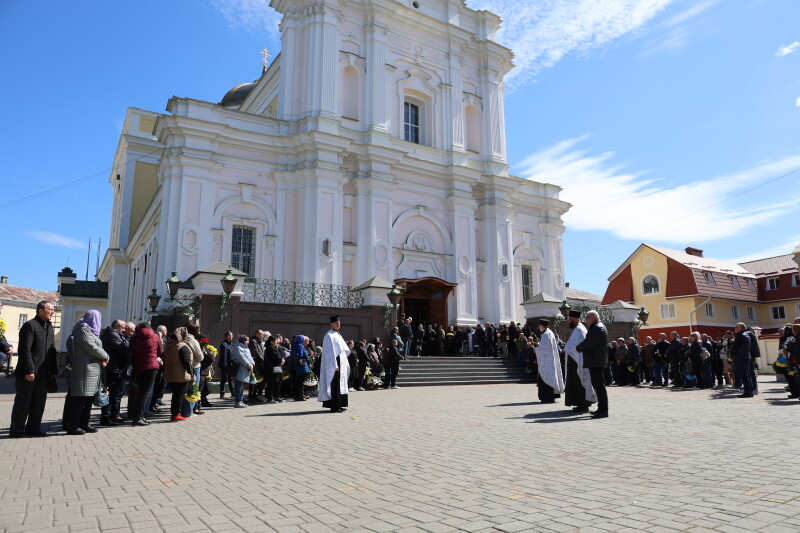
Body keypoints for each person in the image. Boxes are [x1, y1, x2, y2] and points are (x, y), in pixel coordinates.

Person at [9, 301, 59, 438]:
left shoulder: (49, 327)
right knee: (23, 404)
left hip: (44, 374)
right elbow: (25, 350)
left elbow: (52, 350)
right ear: (41, 310)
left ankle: (33, 429)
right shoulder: (30, 325)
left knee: (38, 404)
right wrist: (29, 370)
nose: (52, 312)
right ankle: (16, 430)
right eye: (50, 309)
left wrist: (54, 370)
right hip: (28, 374)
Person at [67, 310, 110, 435]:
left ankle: (85, 424)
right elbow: (91, 347)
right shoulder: (83, 330)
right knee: (80, 400)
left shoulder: (91, 331)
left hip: (92, 370)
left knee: (88, 400)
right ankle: (74, 426)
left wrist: (102, 357)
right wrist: (105, 356)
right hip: (84, 370)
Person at [127, 321, 162, 426]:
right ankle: (138, 418)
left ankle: (138, 416)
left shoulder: (134, 337)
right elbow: (160, 352)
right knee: (145, 393)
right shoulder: (155, 337)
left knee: (139, 392)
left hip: (138, 367)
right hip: (151, 367)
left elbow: (129, 351)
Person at [576, 310, 609, 419]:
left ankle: (604, 411)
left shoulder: (598, 327)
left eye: (587, 317)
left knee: (599, 385)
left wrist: (579, 347)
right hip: (595, 360)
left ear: (593, 317)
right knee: (597, 385)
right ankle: (601, 409)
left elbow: (590, 342)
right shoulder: (596, 327)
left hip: (597, 360)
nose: (586, 320)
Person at [564, 310, 595, 413]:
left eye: (569, 320)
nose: (568, 322)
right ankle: (579, 403)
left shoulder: (580, 330)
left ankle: (583, 405)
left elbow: (580, 346)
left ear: (573, 319)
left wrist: (568, 348)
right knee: (576, 384)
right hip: (575, 361)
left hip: (578, 362)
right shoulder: (577, 329)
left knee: (580, 383)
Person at [99, 319, 128, 426]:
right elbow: (124, 348)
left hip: (112, 368)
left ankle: (111, 416)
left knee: (112, 394)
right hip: (113, 369)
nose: (124, 330)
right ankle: (107, 418)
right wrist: (126, 339)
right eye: (123, 327)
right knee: (112, 394)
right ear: (117, 326)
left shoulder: (109, 333)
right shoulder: (113, 335)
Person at [319, 315, 349, 413]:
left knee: (340, 385)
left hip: (341, 363)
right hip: (334, 364)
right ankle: (334, 406)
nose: (338, 325)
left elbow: (343, 349)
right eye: (336, 323)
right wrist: (334, 365)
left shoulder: (338, 335)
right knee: (335, 385)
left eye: (339, 323)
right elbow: (330, 352)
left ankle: (340, 404)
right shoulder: (329, 335)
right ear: (331, 324)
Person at [164, 327, 194, 420]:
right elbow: (186, 362)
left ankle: (175, 413)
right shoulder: (182, 346)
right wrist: (192, 374)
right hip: (181, 375)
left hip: (170, 374)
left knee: (175, 395)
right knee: (179, 395)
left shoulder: (168, 345)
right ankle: (176, 414)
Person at [534, 319, 565, 404]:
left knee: (546, 378)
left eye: (539, 326)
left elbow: (544, 349)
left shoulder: (546, 335)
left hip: (547, 362)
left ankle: (547, 397)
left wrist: (536, 349)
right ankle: (548, 396)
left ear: (542, 326)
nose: (539, 327)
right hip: (549, 360)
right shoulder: (549, 333)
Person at [183, 324, 205, 416]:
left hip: (184, 367)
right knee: (193, 389)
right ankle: (189, 411)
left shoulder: (182, 339)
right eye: (198, 329)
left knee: (185, 390)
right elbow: (200, 357)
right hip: (195, 367)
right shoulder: (193, 341)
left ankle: (185, 410)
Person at [231, 335, 254, 408]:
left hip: (245, 370)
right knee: (239, 387)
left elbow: (250, 357)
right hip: (240, 370)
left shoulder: (245, 348)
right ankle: (238, 402)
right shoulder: (238, 348)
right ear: (243, 340)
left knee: (241, 387)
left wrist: (252, 364)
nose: (248, 342)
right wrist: (249, 365)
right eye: (247, 340)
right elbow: (242, 358)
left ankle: (241, 401)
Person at [732, 323, 753, 398]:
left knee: (744, 375)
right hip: (745, 357)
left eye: (736, 327)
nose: (734, 329)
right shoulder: (746, 334)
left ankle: (747, 392)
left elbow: (735, 347)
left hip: (740, 357)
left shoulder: (740, 335)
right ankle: (750, 391)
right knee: (747, 375)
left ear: (740, 328)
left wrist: (731, 355)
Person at [264, 335, 285, 403]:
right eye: (275, 341)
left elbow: (280, 354)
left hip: (277, 368)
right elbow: (276, 356)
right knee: (272, 384)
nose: (276, 342)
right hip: (272, 369)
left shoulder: (274, 347)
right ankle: (270, 398)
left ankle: (276, 396)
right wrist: (281, 359)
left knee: (277, 383)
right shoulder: (270, 348)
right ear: (271, 342)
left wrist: (282, 359)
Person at [248, 330, 266, 404]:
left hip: (262, 364)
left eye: (262, 334)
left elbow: (263, 352)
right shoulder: (253, 342)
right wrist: (262, 360)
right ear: (256, 334)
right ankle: (251, 397)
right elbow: (255, 353)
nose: (262, 335)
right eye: (260, 334)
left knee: (261, 380)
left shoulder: (261, 342)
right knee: (254, 381)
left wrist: (264, 361)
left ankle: (258, 395)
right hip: (256, 364)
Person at [292, 335, 311, 401]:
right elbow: (302, 355)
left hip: (296, 366)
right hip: (302, 367)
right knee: (301, 382)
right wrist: (308, 360)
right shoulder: (300, 345)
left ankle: (297, 395)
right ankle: (300, 396)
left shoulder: (294, 345)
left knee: (297, 381)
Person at [217, 331, 235, 399]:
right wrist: (224, 367)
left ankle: (233, 393)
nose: (232, 337)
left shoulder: (231, 344)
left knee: (231, 379)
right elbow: (223, 356)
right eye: (231, 336)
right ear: (227, 336)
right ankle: (222, 394)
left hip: (230, 365)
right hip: (225, 365)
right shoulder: (224, 344)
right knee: (224, 379)